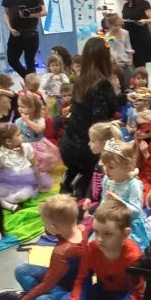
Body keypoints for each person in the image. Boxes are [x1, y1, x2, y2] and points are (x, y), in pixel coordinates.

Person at [0, 194, 87, 300]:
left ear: (54, 227)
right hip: (61, 275)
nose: (43, 226)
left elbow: (46, 285)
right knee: (21, 269)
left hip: (67, 289)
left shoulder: (61, 252)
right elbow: (53, 233)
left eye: (44, 223)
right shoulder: (81, 228)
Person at [66, 199, 144, 300]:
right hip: (101, 290)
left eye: (107, 234)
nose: (99, 239)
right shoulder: (91, 248)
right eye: (96, 232)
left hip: (123, 296)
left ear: (125, 234)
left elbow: (136, 294)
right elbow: (82, 279)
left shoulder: (133, 257)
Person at [60, 36, 119, 199]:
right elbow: (99, 125)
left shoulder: (80, 81)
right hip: (87, 149)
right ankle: (80, 191)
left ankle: (69, 183)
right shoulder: (102, 85)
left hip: (68, 144)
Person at [99, 137, 151, 249]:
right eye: (104, 165)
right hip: (110, 222)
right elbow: (103, 200)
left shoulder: (133, 185)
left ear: (126, 166)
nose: (106, 170)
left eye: (111, 167)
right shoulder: (107, 180)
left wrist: (119, 202)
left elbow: (136, 211)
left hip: (128, 226)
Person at [1, 0, 46, 79]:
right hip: (15, 33)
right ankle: (28, 80)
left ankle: (32, 85)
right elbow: (6, 12)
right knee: (12, 59)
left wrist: (29, 15)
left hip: (31, 33)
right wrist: (10, 28)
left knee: (30, 62)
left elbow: (44, 11)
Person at [0, 123, 45, 212]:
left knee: (20, 197)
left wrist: (39, 182)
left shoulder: (26, 147)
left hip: (26, 184)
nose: (22, 136)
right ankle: (9, 205)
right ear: (8, 141)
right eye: (18, 135)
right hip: (8, 184)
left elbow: (35, 165)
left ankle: (4, 202)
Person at [16, 92, 60, 173]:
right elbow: (18, 134)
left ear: (33, 108)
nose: (20, 109)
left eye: (22, 107)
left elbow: (39, 129)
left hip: (39, 145)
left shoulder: (39, 119)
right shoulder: (18, 121)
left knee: (42, 162)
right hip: (26, 146)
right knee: (29, 165)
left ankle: (41, 174)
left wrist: (27, 121)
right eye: (19, 106)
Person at [121, 0, 151, 66]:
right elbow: (123, 20)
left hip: (140, 38)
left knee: (140, 62)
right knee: (129, 62)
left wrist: (145, 21)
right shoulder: (125, 5)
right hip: (128, 38)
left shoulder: (144, 3)